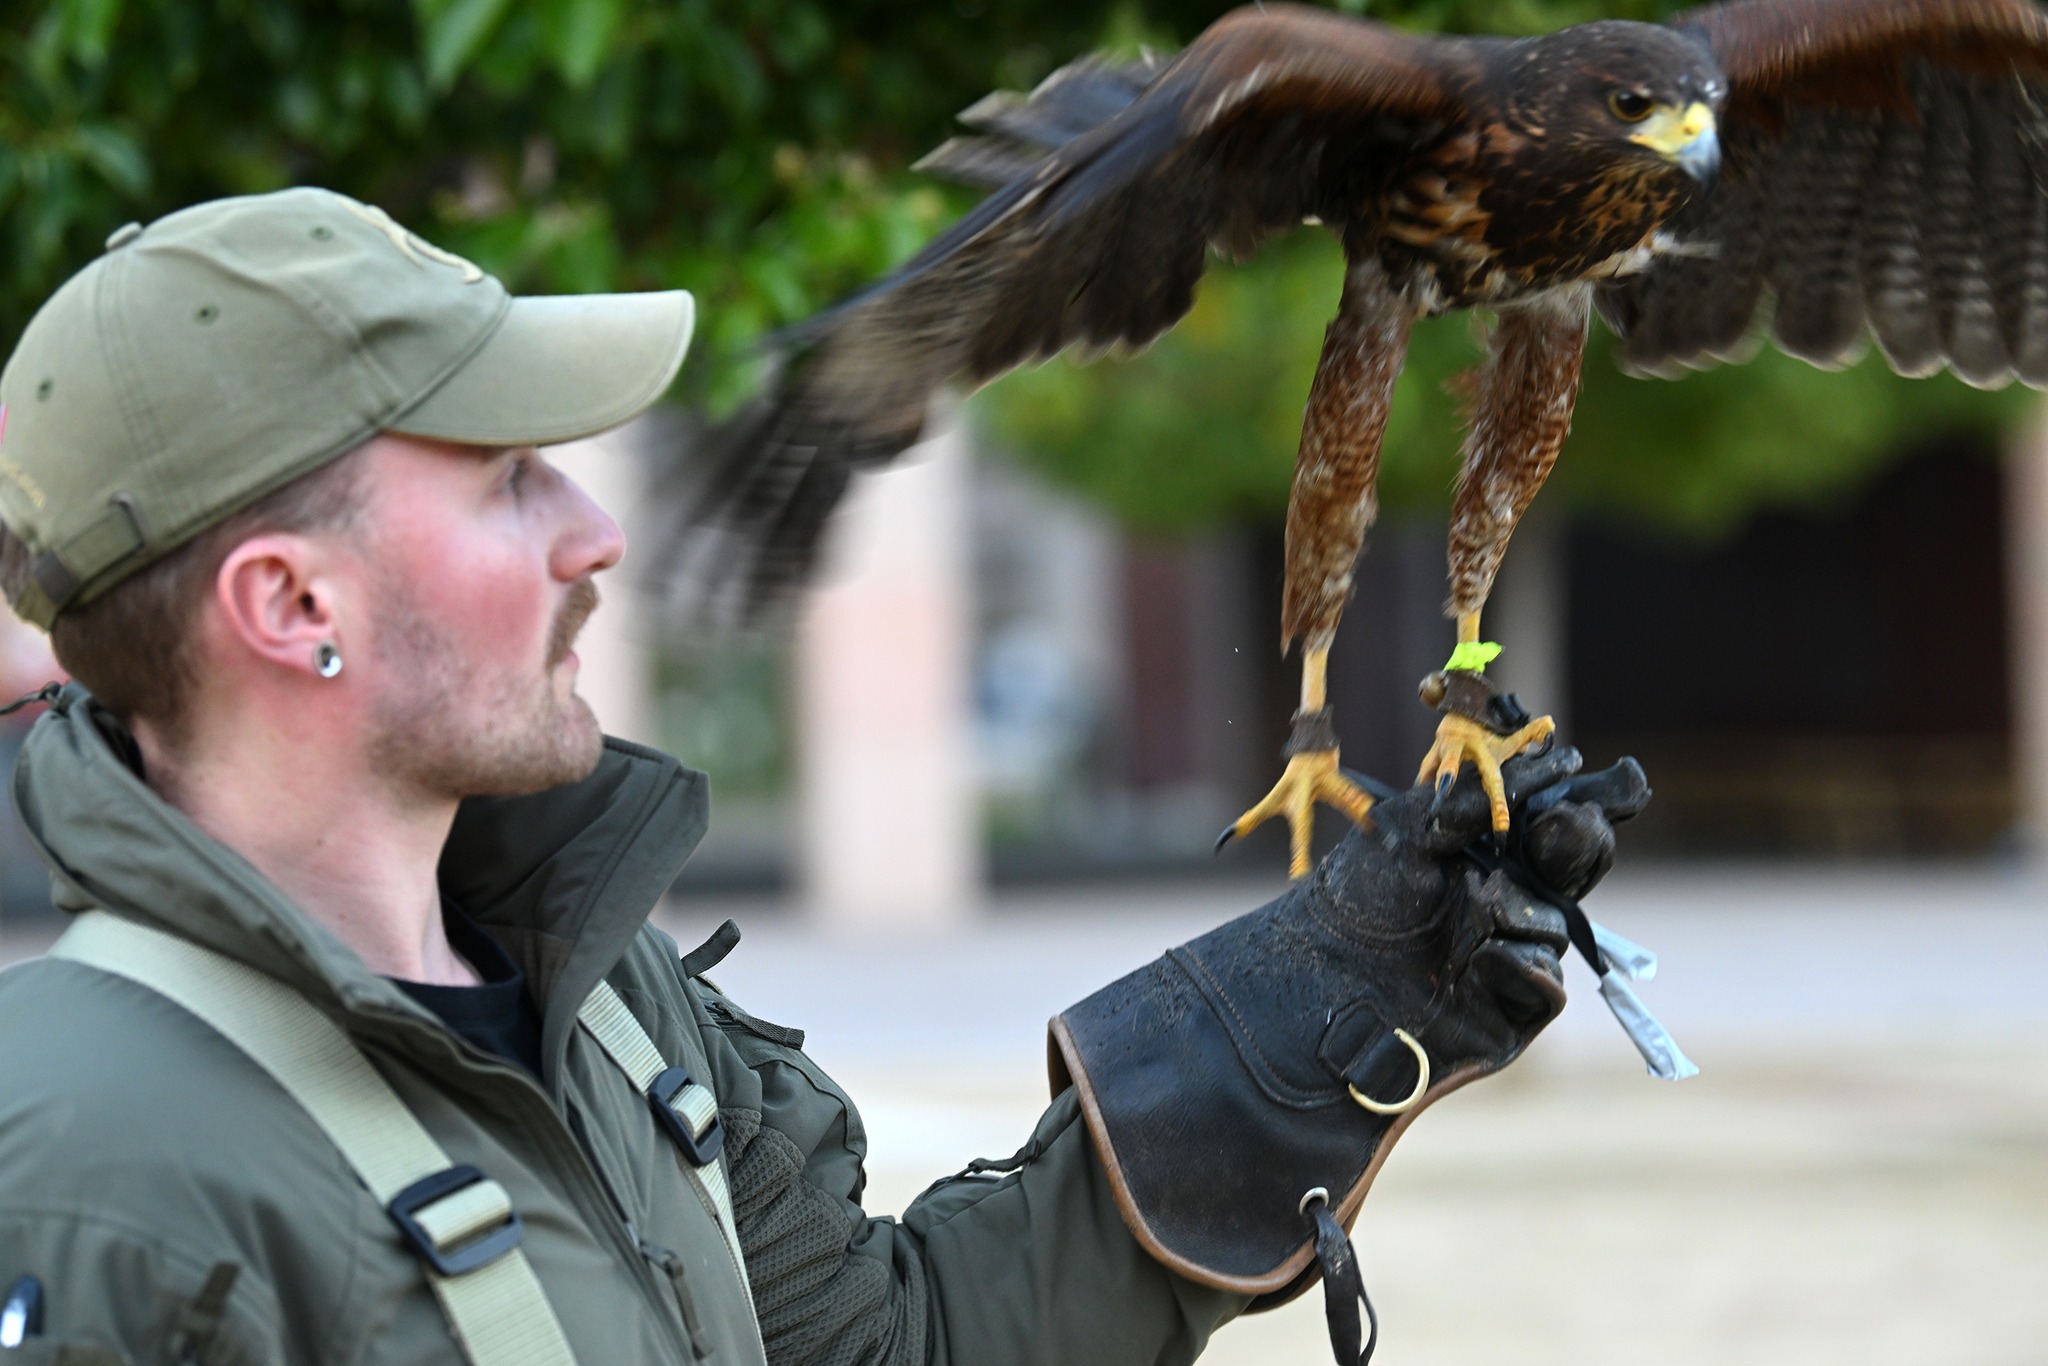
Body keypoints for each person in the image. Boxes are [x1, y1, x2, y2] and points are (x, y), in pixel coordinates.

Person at [0, 188, 1642, 1366]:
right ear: (293, 604)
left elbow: (889, 1345)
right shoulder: (76, 1172)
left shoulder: (606, 997)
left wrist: (1334, 987)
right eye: (506, 483)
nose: (594, 533)